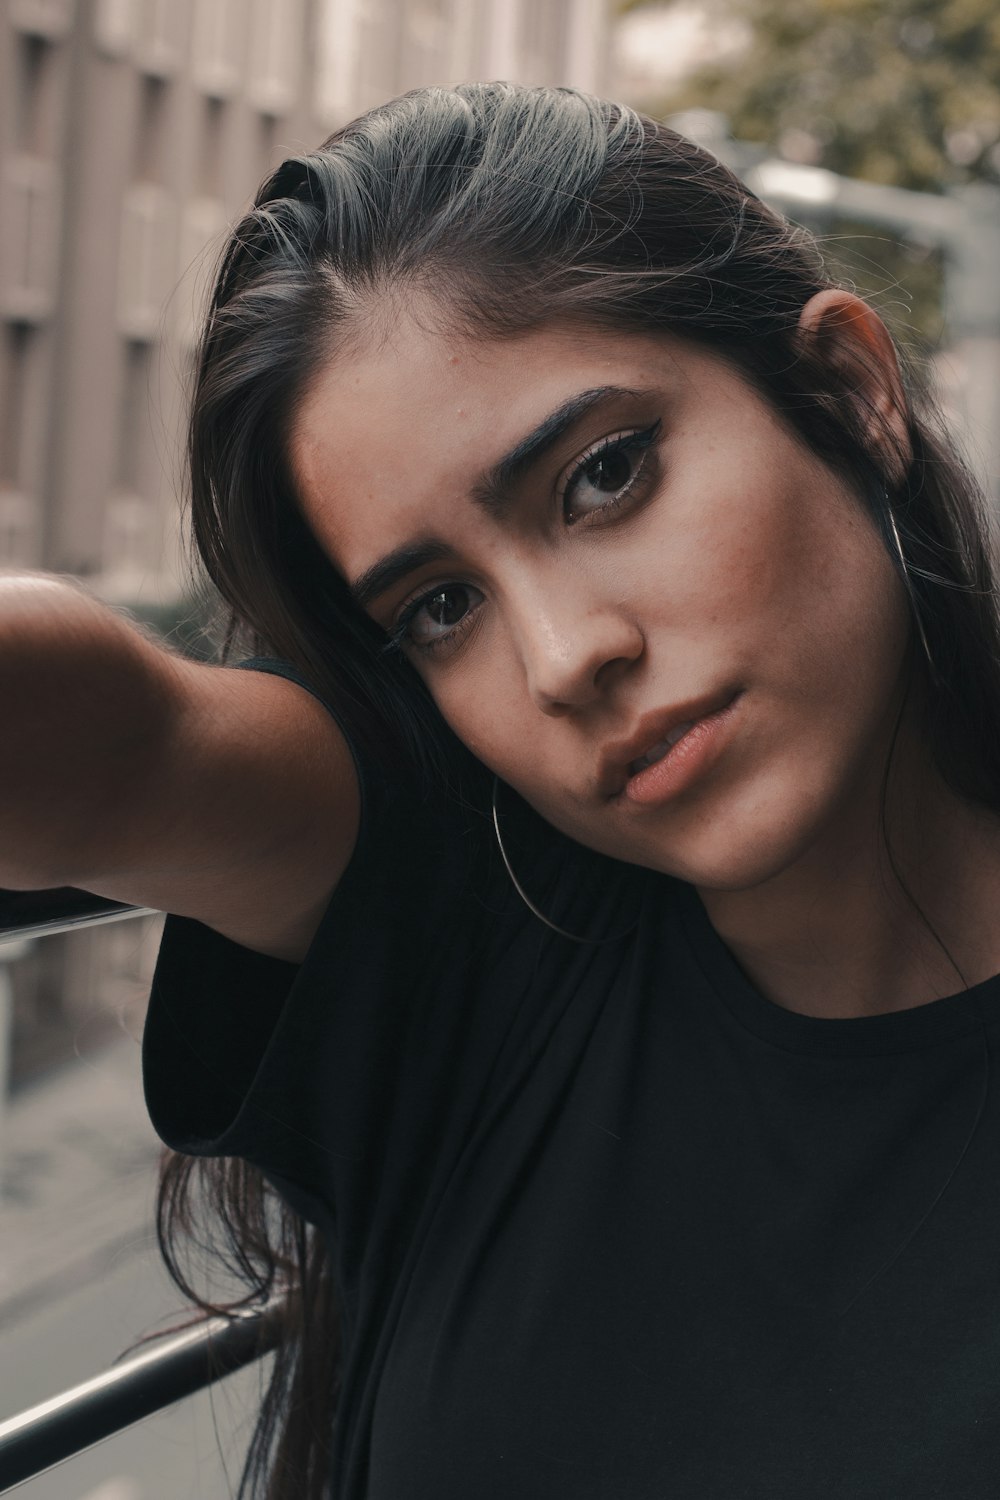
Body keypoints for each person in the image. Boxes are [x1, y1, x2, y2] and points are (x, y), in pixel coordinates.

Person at [4, 80, 1000, 1499]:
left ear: (849, 393)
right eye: (439, 607)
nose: (563, 658)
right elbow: (108, 749)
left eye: (604, 476)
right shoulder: (473, 913)